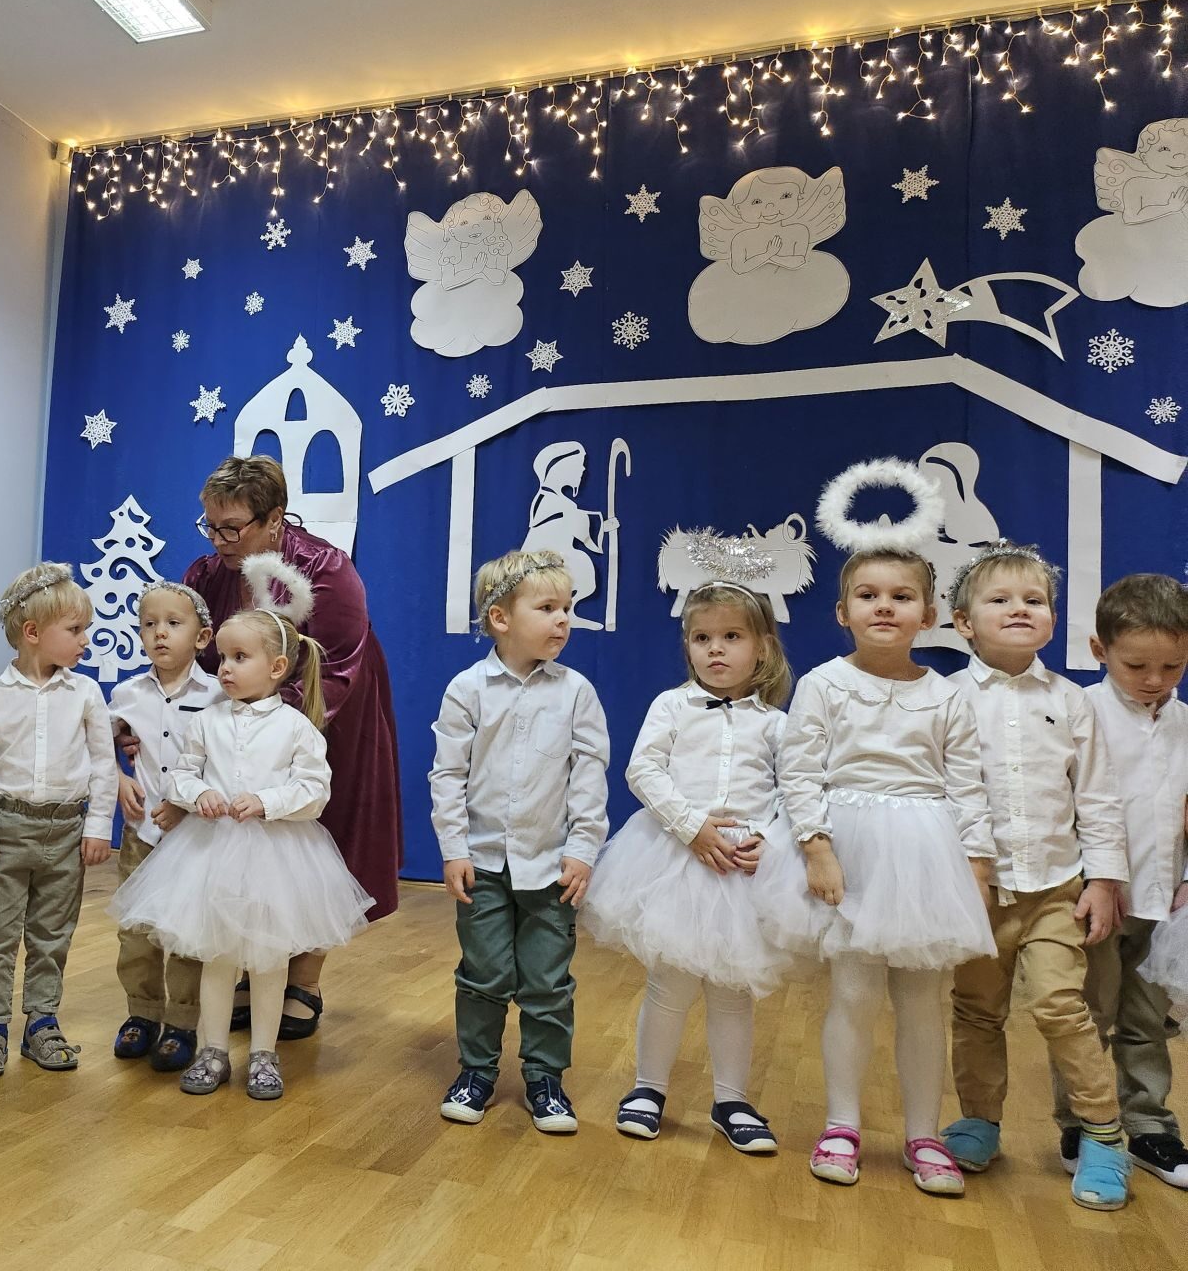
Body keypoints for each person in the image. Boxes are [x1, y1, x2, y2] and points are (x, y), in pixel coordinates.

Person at [773, 546, 996, 1197]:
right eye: (868, 596)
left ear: (928, 614)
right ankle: (842, 1125)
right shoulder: (823, 684)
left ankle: (924, 1134)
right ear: (843, 612)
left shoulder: (946, 696)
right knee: (854, 993)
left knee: (923, 1002)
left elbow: (967, 786)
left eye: (901, 596)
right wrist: (816, 847)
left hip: (927, 855)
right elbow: (799, 770)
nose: (884, 607)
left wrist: (977, 865)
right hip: (851, 850)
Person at [110, 553, 374, 1100]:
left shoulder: (296, 728)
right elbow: (182, 773)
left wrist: (268, 801)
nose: (225, 669)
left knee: (270, 961)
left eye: (238, 658)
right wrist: (197, 793)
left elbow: (314, 790)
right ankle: (211, 1050)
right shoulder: (207, 721)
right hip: (209, 853)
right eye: (223, 658)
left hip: (275, 855)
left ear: (276, 668)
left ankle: (263, 1053)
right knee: (217, 956)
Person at [937, 544, 1131, 1208]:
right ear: (964, 622)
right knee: (976, 1009)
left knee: (1060, 1005)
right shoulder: (946, 698)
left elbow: (1097, 796)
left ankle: (1102, 1134)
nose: (1020, 609)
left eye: (1035, 601)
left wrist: (1103, 879)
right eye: (1001, 600)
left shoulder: (1072, 702)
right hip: (978, 889)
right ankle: (978, 1122)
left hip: (1056, 887)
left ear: (1052, 619)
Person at [180, 455, 399, 1041]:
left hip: (324, 719)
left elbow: (336, 668)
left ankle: (304, 979)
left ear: (275, 518)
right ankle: (251, 964)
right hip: (236, 723)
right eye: (210, 526)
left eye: (233, 528)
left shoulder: (328, 571)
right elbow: (192, 656)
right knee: (243, 846)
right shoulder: (206, 574)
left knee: (313, 844)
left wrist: (269, 730)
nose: (219, 541)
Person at [582, 582, 798, 1154]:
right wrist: (691, 825)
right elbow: (643, 770)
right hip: (675, 857)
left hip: (743, 869)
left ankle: (732, 1100)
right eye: (702, 638)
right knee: (669, 983)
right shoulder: (671, 706)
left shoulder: (776, 724)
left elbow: (794, 790)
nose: (715, 648)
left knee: (732, 989)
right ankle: (647, 1088)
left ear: (763, 647)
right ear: (688, 646)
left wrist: (766, 838)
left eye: (731, 636)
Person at [429, 550, 608, 1133]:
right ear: (501, 618)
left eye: (568, 608)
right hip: (481, 863)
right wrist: (454, 849)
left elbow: (589, 776)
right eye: (548, 607)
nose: (563, 620)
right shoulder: (468, 689)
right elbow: (448, 775)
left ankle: (545, 1078)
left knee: (548, 980)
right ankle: (477, 1072)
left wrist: (582, 849)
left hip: (551, 866)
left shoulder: (576, 691)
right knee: (482, 974)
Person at [1052, 574, 1188, 1189]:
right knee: (1090, 1015)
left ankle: (1151, 1127)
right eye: (1137, 665)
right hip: (1098, 899)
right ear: (1099, 650)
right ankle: (1083, 1123)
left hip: (1166, 901)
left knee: (1149, 1021)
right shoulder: (1079, 714)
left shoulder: (1185, 723)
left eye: (1173, 666)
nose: (1155, 680)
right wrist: (1091, 879)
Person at [0, 564, 114, 1078]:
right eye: (75, 630)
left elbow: (103, 764)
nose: (85, 640)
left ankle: (42, 1021)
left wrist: (98, 825)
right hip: (6, 828)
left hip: (67, 831)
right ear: (33, 632)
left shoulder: (86, 693)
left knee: (52, 935)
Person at [107, 581, 221, 1073]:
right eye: (149, 624)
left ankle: (182, 1022)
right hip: (141, 834)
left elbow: (226, 764)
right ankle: (142, 1013)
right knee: (137, 930)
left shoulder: (219, 695)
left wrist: (184, 805)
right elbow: (100, 743)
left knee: (187, 931)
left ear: (202, 637)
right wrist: (118, 777)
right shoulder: (126, 694)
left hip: (194, 836)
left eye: (174, 623)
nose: (160, 633)